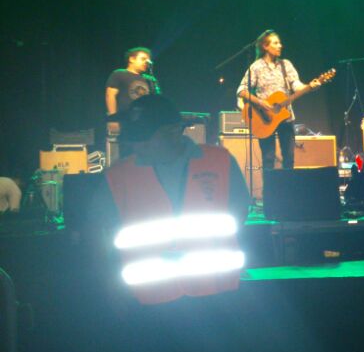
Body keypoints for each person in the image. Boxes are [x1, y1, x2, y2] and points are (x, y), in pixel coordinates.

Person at [93, 94, 250, 306]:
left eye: (144, 136)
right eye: (132, 136)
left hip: (216, 294)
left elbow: (239, 212)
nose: (136, 144)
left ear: (174, 131)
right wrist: (112, 290)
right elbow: (98, 232)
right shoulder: (118, 175)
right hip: (149, 298)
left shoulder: (219, 160)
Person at [237, 30, 320, 172]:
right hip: (264, 118)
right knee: (268, 159)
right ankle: (269, 187)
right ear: (265, 46)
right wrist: (261, 103)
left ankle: (288, 186)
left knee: (289, 158)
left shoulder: (286, 65)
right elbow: (241, 90)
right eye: (275, 43)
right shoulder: (256, 67)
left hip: (285, 117)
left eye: (279, 43)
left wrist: (309, 87)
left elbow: (296, 85)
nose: (280, 45)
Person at [105, 47, 160, 136]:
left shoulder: (149, 79)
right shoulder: (119, 74)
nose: (146, 62)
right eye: (143, 59)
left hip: (144, 122)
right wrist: (113, 119)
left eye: (148, 60)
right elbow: (110, 95)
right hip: (125, 120)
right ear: (132, 59)